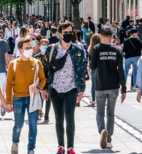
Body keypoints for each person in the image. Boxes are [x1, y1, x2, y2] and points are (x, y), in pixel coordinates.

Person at [41, 22, 86, 154]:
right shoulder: (51, 49)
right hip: (55, 88)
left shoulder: (78, 49)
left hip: (71, 88)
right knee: (59, 118)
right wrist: (44, 88)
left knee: (70, 117)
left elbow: (82, 70)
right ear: (60, 34)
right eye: (66, 33)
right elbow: (44, 69)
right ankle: (61, 146)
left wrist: (81, 90)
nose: (68, 35)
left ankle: (71, 147)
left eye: (70, 32)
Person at [5, 38, 46, 154]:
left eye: (30, 47)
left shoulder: (37, 63)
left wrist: (38, 88)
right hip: (18, 99)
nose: (30, 50)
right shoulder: (13, 64)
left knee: (33, 125)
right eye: (27, 48)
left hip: (33, 98)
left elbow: (43, 79)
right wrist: (8, 102)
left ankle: (31, 149)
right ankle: (15, 142)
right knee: (19, 125)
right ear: (20, 50)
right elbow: (8, 85)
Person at [89, 27, 127, 149]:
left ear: (100, 36)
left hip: (100, 85)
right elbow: (121, 70)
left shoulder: (96, 48)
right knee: (110, 113)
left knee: (99, 112)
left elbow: (93, 66)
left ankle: (102, 130)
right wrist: (124, 88)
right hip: (114, 86)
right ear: (112, 36)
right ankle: (109, 139)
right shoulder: (117, 50)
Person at [34, 39, 51, 123]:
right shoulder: (36, 57)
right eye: (42, 44)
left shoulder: (50, 56)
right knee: (39, 98)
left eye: (46, 44)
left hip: (48, 80)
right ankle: (38, 113)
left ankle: (47, 116)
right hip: (39, 80)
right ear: (40, 46)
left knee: (48, 98)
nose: (44, 46)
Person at [87, 34, 101, 106]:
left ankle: (93, 99)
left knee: (93, 85)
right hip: (101, 68)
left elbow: (89, 60)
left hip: (93, 68)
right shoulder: (101, 48)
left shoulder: (90, 49)